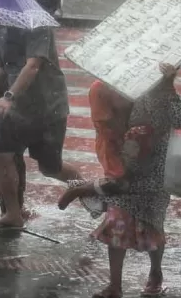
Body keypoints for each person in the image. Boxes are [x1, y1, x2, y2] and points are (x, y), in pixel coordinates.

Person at [85, 64, 181, 298]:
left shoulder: (166, 94)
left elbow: (180, 119)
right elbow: (107, 126)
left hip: (155, 172)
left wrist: (168, 87)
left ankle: (155, 274)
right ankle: (115, 285)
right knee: (116, 221)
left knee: (152, 223)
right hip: (125, 166)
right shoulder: (115, 87)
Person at [0, 25, 81, 230]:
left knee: (50, 168)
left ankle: (85, 189)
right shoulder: (1, 28)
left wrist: (8, 96)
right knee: (3, 153)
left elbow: (33, 65)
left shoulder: (37, 27)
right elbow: (5, 65)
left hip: (47, 107)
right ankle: (13, 214)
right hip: (16, 109)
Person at [57, 80, 133, 210]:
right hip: (113, 145)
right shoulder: (100, 87)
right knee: (121, 182)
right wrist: (128, 140)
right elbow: (106, 124)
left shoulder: (136, 84)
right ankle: (81, 189)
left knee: (133, 185)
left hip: (135, 141)